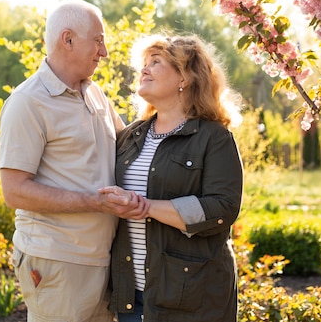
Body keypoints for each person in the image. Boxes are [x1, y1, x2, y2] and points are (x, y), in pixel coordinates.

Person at [0, 0, 147, 322]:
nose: (104, 52)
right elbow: (15, 191)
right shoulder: (28, 102)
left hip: (101, 260)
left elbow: (131, 145)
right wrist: (95, 202)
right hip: (55, 262)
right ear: (68, 39)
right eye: (98, 40)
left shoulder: (95, 94)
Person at [100, 34, 245, 321]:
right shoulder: (130, 137)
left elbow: (223, 207)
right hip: (132, 295)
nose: (144, 69)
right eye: (143, 63)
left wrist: (147, 207)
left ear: (185, 77)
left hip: (192, 298)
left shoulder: (214, 138)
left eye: (156, 62)